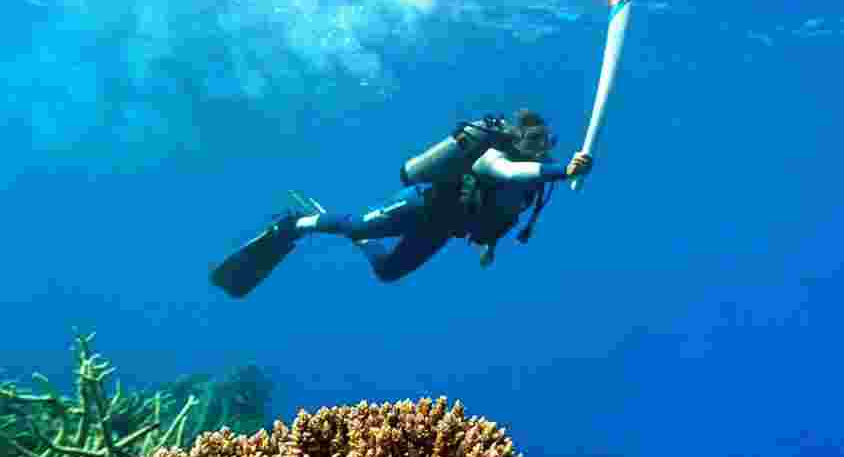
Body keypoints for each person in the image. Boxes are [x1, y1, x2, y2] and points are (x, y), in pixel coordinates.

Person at [210, 109, 593, 297]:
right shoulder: (495, 156)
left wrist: (489, 246)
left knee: (388, 272)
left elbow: (504, 213)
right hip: (420, 204)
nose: (542, 149)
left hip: (442, 228)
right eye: (536, 141)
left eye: (548, 143)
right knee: (359, 224)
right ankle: (295, 224)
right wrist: (563, 170)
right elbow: (507, 174)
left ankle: (358, 241)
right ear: (519, 139)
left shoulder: (531, 187)